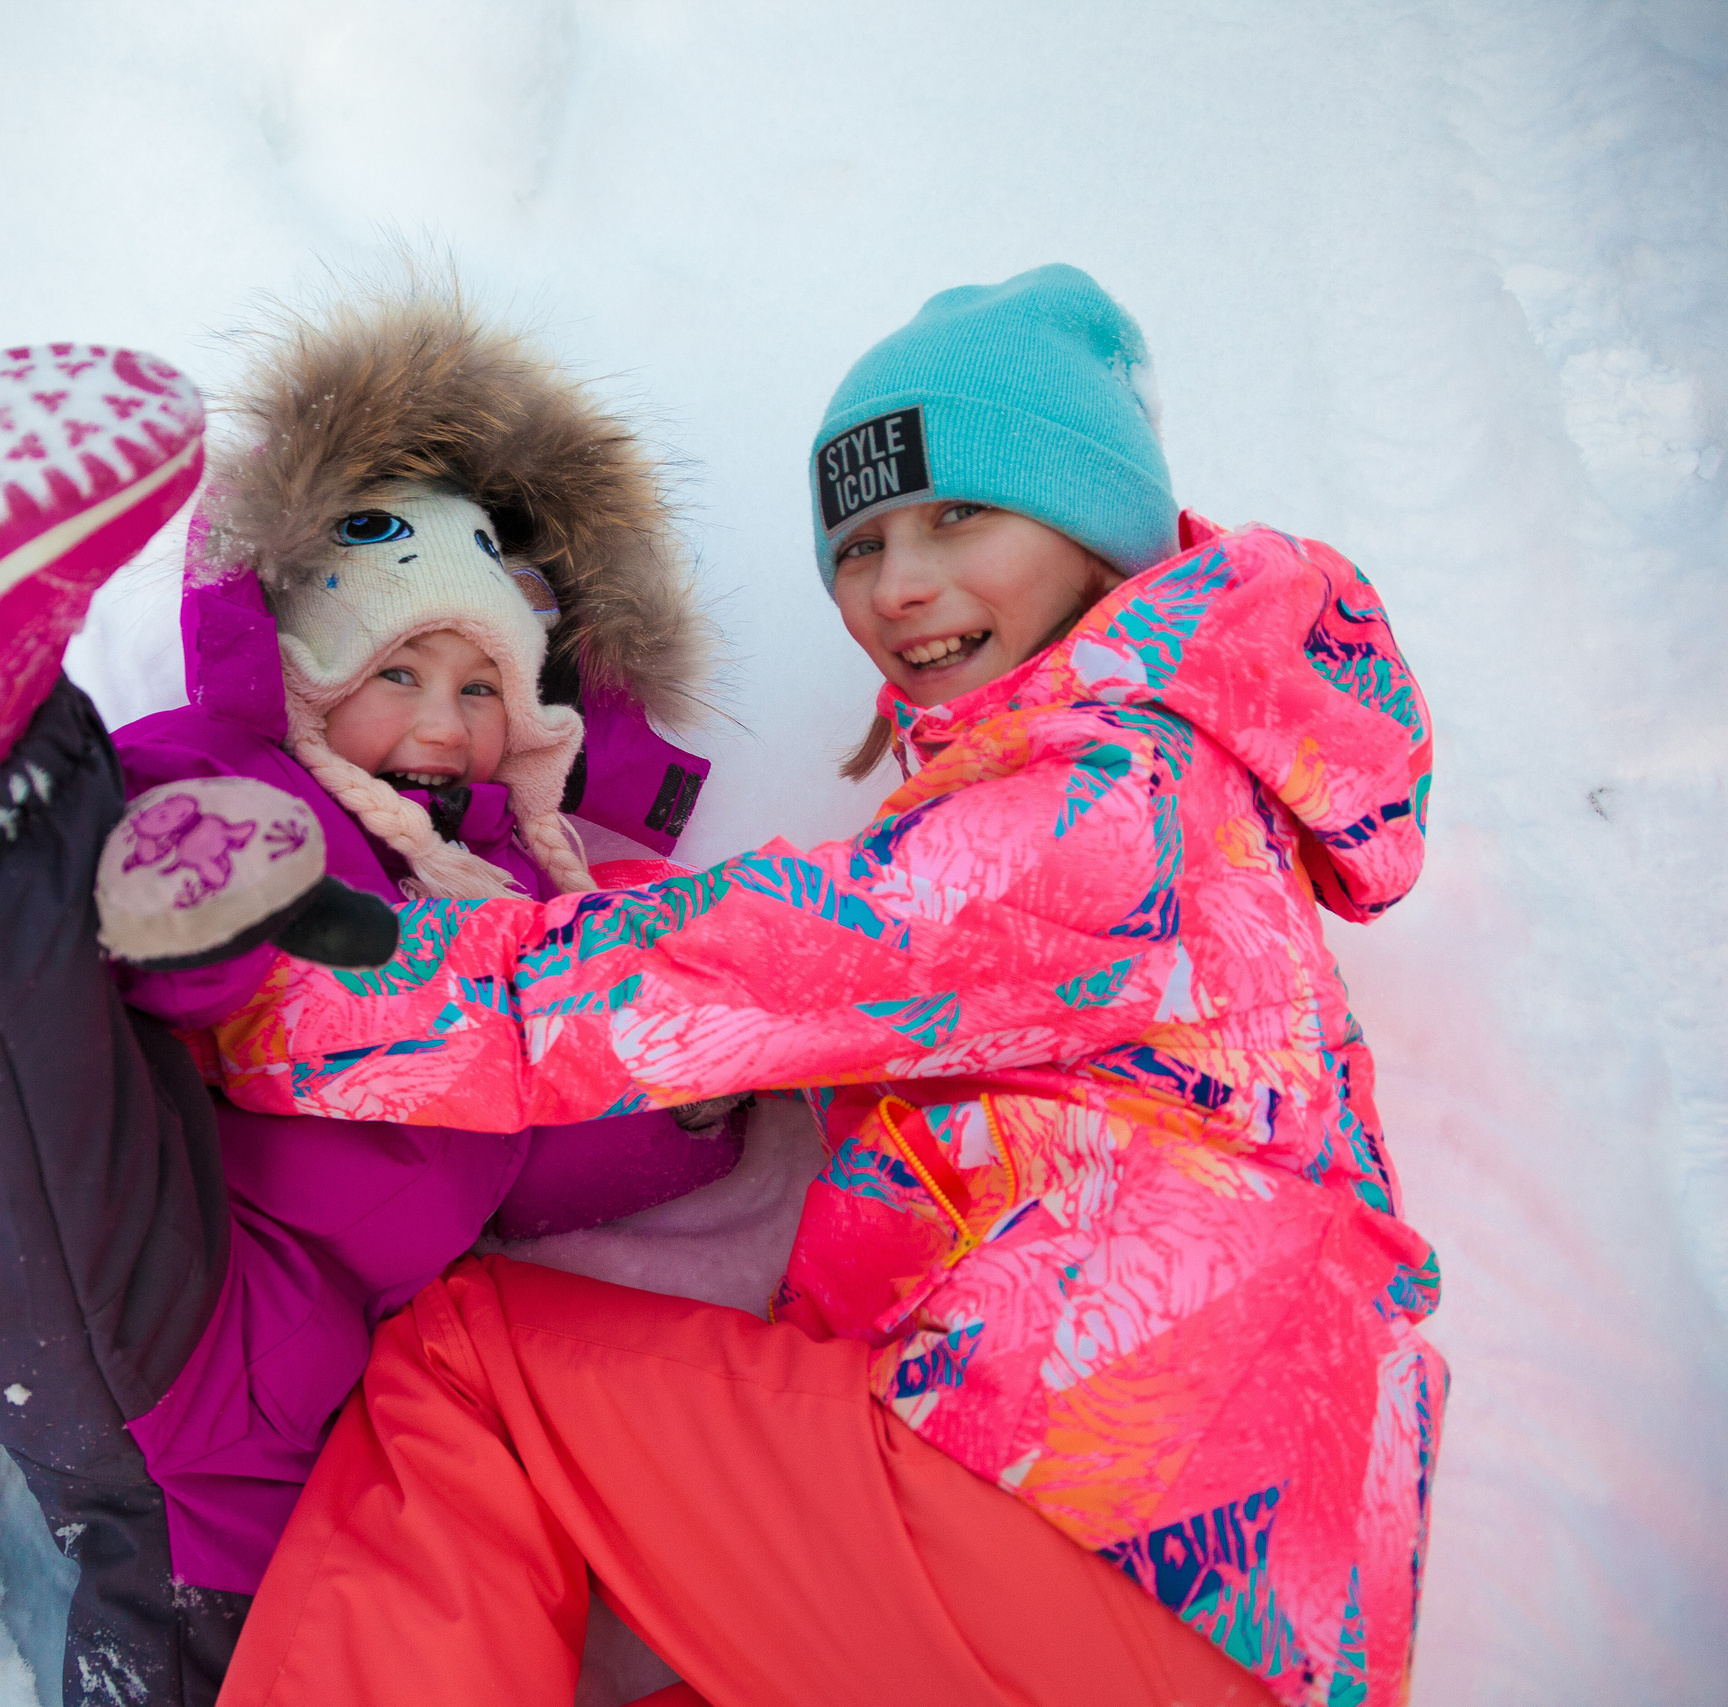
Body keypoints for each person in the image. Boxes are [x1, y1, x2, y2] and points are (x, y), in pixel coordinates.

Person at [199, 265, 1444, 1707]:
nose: (899, 581)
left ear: (1097, 523)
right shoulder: (1168, 804)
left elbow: (702, 974)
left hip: (1091, 1560)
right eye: (856, 542)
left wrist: (267, 995)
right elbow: (811, 960)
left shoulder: (1111, 808)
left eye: (959, 513)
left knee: (474, 1368)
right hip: (1186, 1623)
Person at [0, 290, 738, 1706]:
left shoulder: (527, 895)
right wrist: (205, 923)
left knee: (253, 1641)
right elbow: (153, 910)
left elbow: (538, 1155)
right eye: (401, 670)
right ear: (301, 667)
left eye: (483, 687)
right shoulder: (235, 770)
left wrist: (688, 1107)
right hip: (165, 1259)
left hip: (263, 1398)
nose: (447, 722)